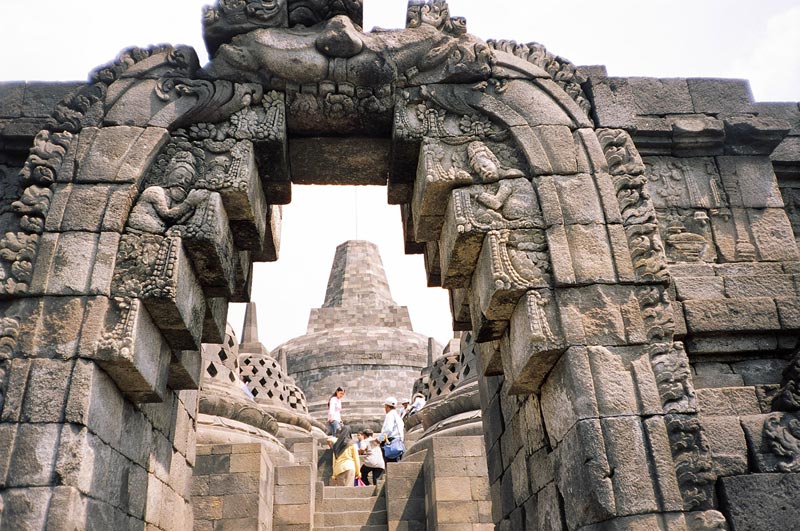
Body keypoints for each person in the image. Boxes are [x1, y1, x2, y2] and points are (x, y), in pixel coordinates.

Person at [379, 396, 405, 462]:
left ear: (387, 406)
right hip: (398, 443)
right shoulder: (397, 416)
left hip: (390, 443)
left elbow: (388, 429)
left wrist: (379, 439)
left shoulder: (389, 415)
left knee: (389, 463)